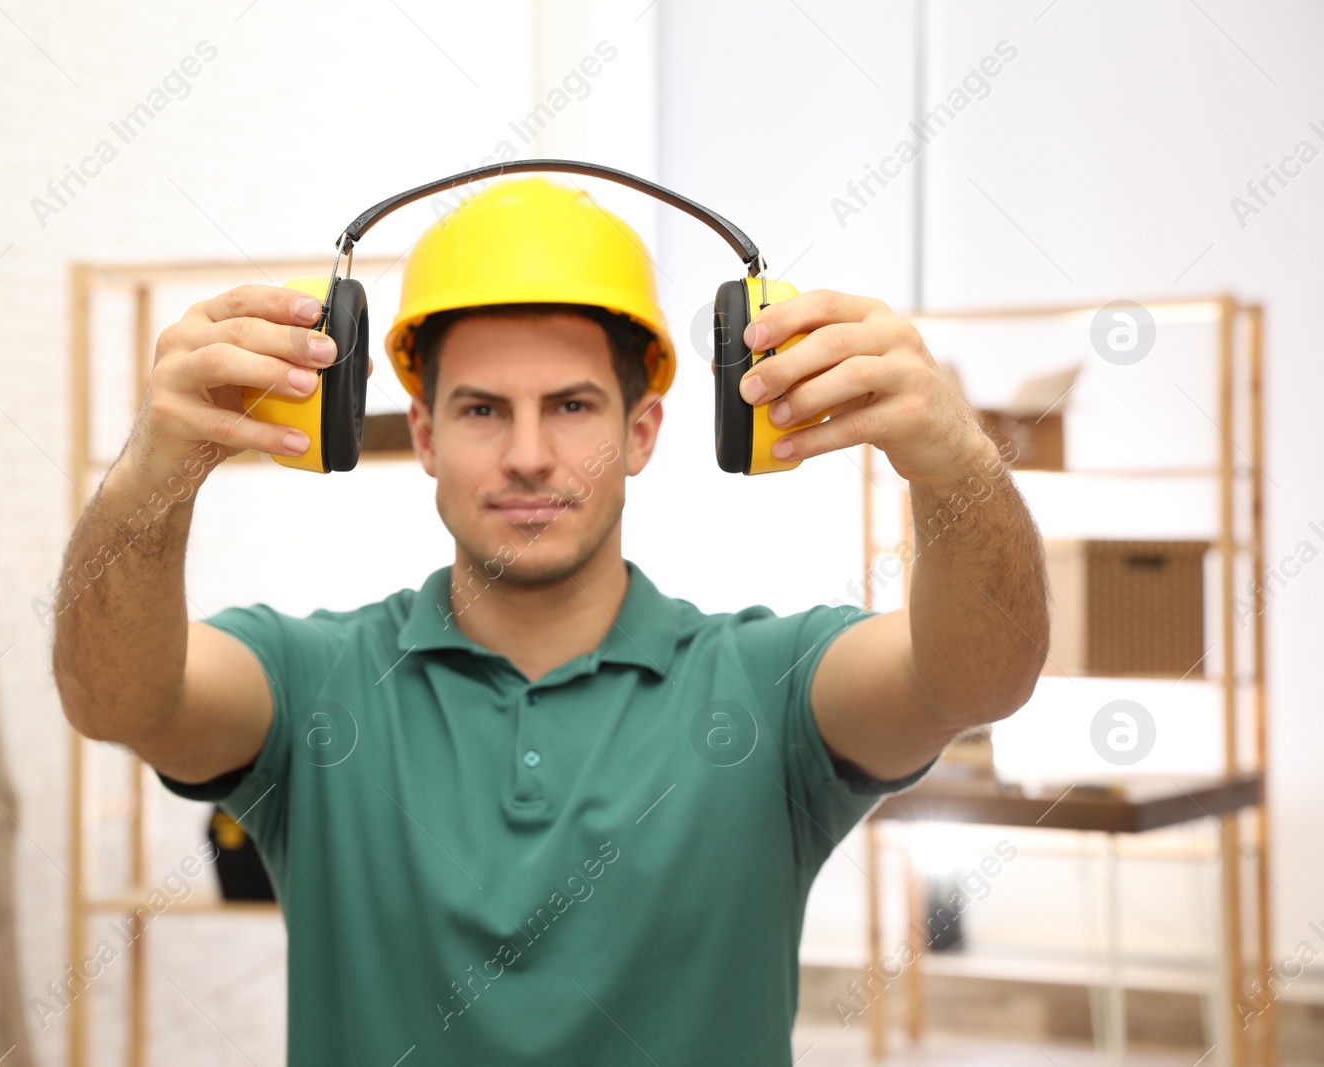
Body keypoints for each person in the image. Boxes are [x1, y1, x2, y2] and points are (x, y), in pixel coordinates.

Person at [51, 177, 1049, 1065]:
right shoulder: (312, 680)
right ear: (428, 436)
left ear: (641, 432)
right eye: (483, 410)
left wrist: (954, 462)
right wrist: (153, 475)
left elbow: (975, 678)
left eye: (572, 406)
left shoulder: (767, 684)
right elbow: (113, 694)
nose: (528, 454)